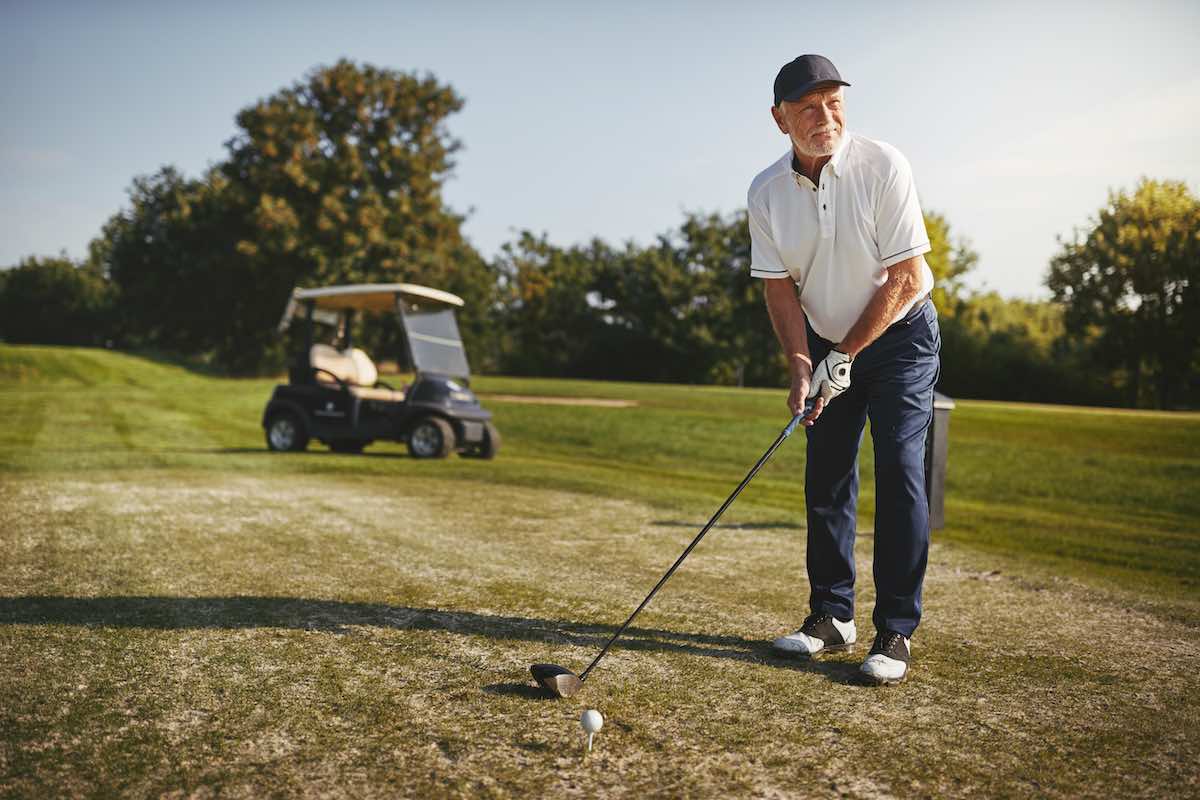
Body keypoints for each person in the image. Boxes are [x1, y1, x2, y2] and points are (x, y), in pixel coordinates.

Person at [747, 54, 941, 685]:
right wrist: (803, 364)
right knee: (827, 473)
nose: (824, 116)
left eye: (833, 102)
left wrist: (845, 357)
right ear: (780, 119)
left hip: (901, 336)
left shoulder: (884, 165)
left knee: (901, 470)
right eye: (807, 107)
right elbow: (779, 289)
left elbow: (906, 277)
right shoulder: (766, 192)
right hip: (829, 340)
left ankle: (895, 630)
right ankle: (831, 616)